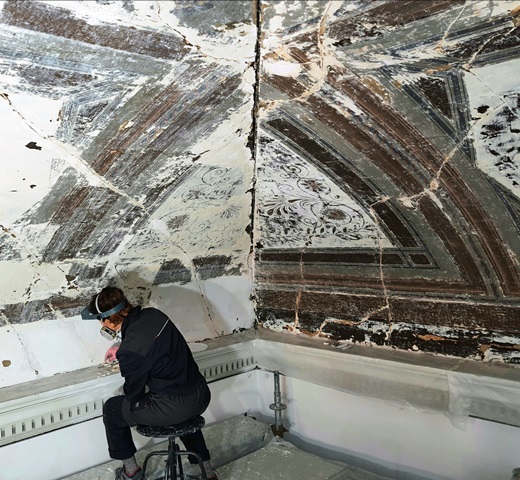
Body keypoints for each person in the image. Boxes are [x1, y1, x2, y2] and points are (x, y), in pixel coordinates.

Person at [81, 286, 218, 480]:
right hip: (200, 395)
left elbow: (133, 393)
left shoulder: (129, 351)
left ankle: (131, 472)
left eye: (99, 321)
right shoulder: (154, 315)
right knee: (181, 411)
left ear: (106, 320)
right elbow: (158, 351)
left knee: (112, 409)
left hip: (173, 407)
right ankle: (207, 471)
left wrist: (127, 372)